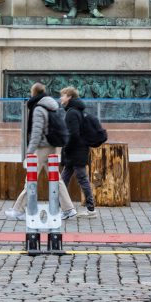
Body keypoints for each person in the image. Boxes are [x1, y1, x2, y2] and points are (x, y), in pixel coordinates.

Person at [5, 82, 75, 219]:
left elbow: (36, 133)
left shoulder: (38, 108)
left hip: (42, 148)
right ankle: (68, 208)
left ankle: (18, 209)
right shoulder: (51, 106)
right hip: (51, 146)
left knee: (31, 179)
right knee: (56, 179)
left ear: (33, 93)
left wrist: (29, 152)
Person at [59, 86, 97, 217]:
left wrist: (66, 148)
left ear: (69, 97)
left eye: (63, 95)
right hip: (77, 150)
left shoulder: (72, 112)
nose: (60, 98)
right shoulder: (76, 111)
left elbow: (73, 134)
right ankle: (62, 207)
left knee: (81, 178)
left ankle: (90, 209)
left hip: (75, 151)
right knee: (63, 179)